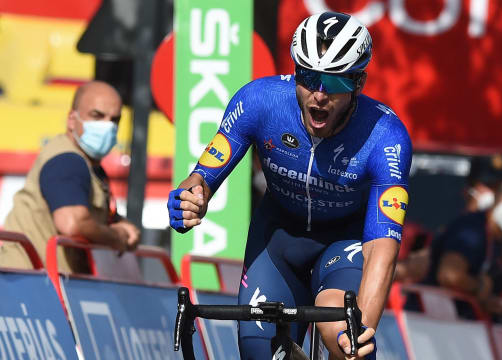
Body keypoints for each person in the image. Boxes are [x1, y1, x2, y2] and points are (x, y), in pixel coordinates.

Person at [167, 12, 412, 360]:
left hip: (346, 242)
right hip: (278, 237)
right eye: (309, 77)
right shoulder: (259, 100)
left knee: (340, 328)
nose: (319, 95)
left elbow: (381, 251)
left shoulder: (385, 136)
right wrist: (191, 197)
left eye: (335, 82)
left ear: (358, 83)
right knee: (261, 353)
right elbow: (202, 176)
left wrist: (358, 337)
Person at [0, 81, 140, 273]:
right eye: (97, 116)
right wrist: (116, 237)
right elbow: (72, 222)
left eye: (114, 120)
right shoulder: (67, 161)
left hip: (47, 283)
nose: (107, 126)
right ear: (72, 119)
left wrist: (122, 227)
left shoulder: (89, 167)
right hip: (31, 286)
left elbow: (96, 218)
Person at [425, 175, 502, 316]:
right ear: (496, 196)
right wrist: (480, 287)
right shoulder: (471, 228)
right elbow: (449, 275)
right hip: (435, 320)